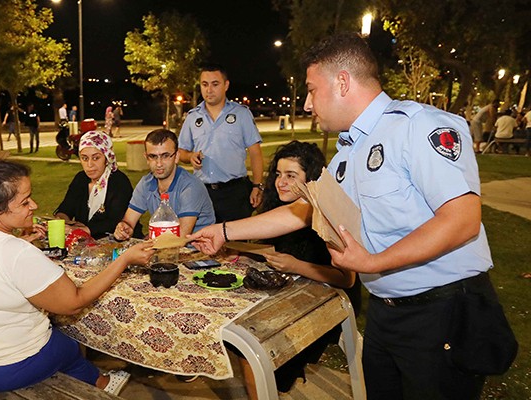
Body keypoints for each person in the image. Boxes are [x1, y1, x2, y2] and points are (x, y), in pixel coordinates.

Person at [190, 32, 509, 399]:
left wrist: (374, 261)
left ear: (342, 82)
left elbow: (461, 219)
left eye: (312, 90)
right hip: (387, 315)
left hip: (442, 313)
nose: (308, 104)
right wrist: (223, 230)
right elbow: (300, 212)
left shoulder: (416, 127)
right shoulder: (349, 153)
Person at [0, 160, 153, 394]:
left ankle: (94, 380)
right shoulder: (16, 253)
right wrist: (124, 260)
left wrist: (17, 243)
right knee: (68, 344)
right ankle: (103, 384)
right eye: (25, 202)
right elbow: (74, 302)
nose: (34, 205)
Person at [251, 140, 361, 392]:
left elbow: (348, 280)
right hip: (292, 294)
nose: (280, 182)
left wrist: (295, 265)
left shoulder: (327, 214)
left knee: (270, 346)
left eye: (291, 175)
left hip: (332, 299)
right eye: (278, 174)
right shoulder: (277, 207)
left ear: (309, 178)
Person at [178, 63, 264, 223]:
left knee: (235, 245)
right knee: (202, 243)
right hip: (202, 192)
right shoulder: (192, 117)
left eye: (215, 84)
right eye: (205, 84)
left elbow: (255, 152)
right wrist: (190, 156)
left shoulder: (241, 114)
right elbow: (181, 151)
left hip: (234, 193)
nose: (209, 90)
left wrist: (257, 186)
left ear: (226, 85)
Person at [114, 129, 215, 241]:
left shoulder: (191, 186)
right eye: (153, 156)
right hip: (167, 250)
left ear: (176, 157)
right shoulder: (146, 183)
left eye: (165, 156)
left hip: (198, 252)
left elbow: (181, 238)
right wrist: (124, 228)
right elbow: (129, 221)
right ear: (146, 158)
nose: (159, 163)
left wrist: (152, 240)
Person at [55, 130, 141, 239]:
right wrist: (62, 222)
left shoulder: (119, 181)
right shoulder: (80, 179)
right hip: (86, 246)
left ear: (107, 157)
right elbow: (65, 209)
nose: (89, 165)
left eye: (96, 158)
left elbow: (116, 221)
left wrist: (84, 230)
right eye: (84, 158)